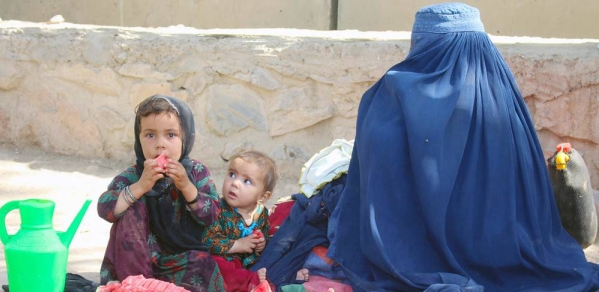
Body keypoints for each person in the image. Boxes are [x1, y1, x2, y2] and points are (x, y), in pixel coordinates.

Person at [326, 3, 599, 292]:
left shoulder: (389, 95)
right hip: (508, 251)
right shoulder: (502, 95)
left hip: (408, 254)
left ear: (420, 42)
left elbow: (377, 196)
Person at [97, 94, 225, 292]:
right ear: (139, 139)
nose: (160, 144)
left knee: (204, 265)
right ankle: (138, 287)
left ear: (186, 137)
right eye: (150, 135)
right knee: (132, 208)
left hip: (179, 260)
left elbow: (213, 216)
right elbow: (105, 209)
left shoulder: (196, 173)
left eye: (171, 135)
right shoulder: (134, 176)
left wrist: (186, 186)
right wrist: (140, 187)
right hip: (136, 264)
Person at [201, 149, 278, 291]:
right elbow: (207, 241)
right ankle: (251, 281)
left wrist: (261, 243)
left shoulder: (261, 214)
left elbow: (264, 233)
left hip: (245, 263)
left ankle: (250, 280)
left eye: (247, 181)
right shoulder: (218, 209)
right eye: (232, 174)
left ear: (262, 197)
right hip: (222, 260)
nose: (235, 183)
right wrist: (237, 245)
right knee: (216, 265)